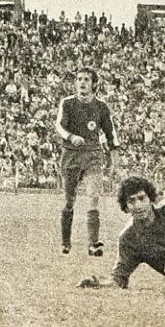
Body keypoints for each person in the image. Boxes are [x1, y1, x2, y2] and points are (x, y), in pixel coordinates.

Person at [55, 67, 120, 256]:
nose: (82, 83)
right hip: (71, 155)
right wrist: (70, 136)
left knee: (93, 197)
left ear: (94, 84)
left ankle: (93, 244)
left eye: (86, 79)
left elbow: (111, 132)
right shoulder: (67, 103)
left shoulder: (101, 106)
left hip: (92, 155)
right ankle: (65, 242)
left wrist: (114, 157)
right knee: (69, 201)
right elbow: (59, 125)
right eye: (79, 79)